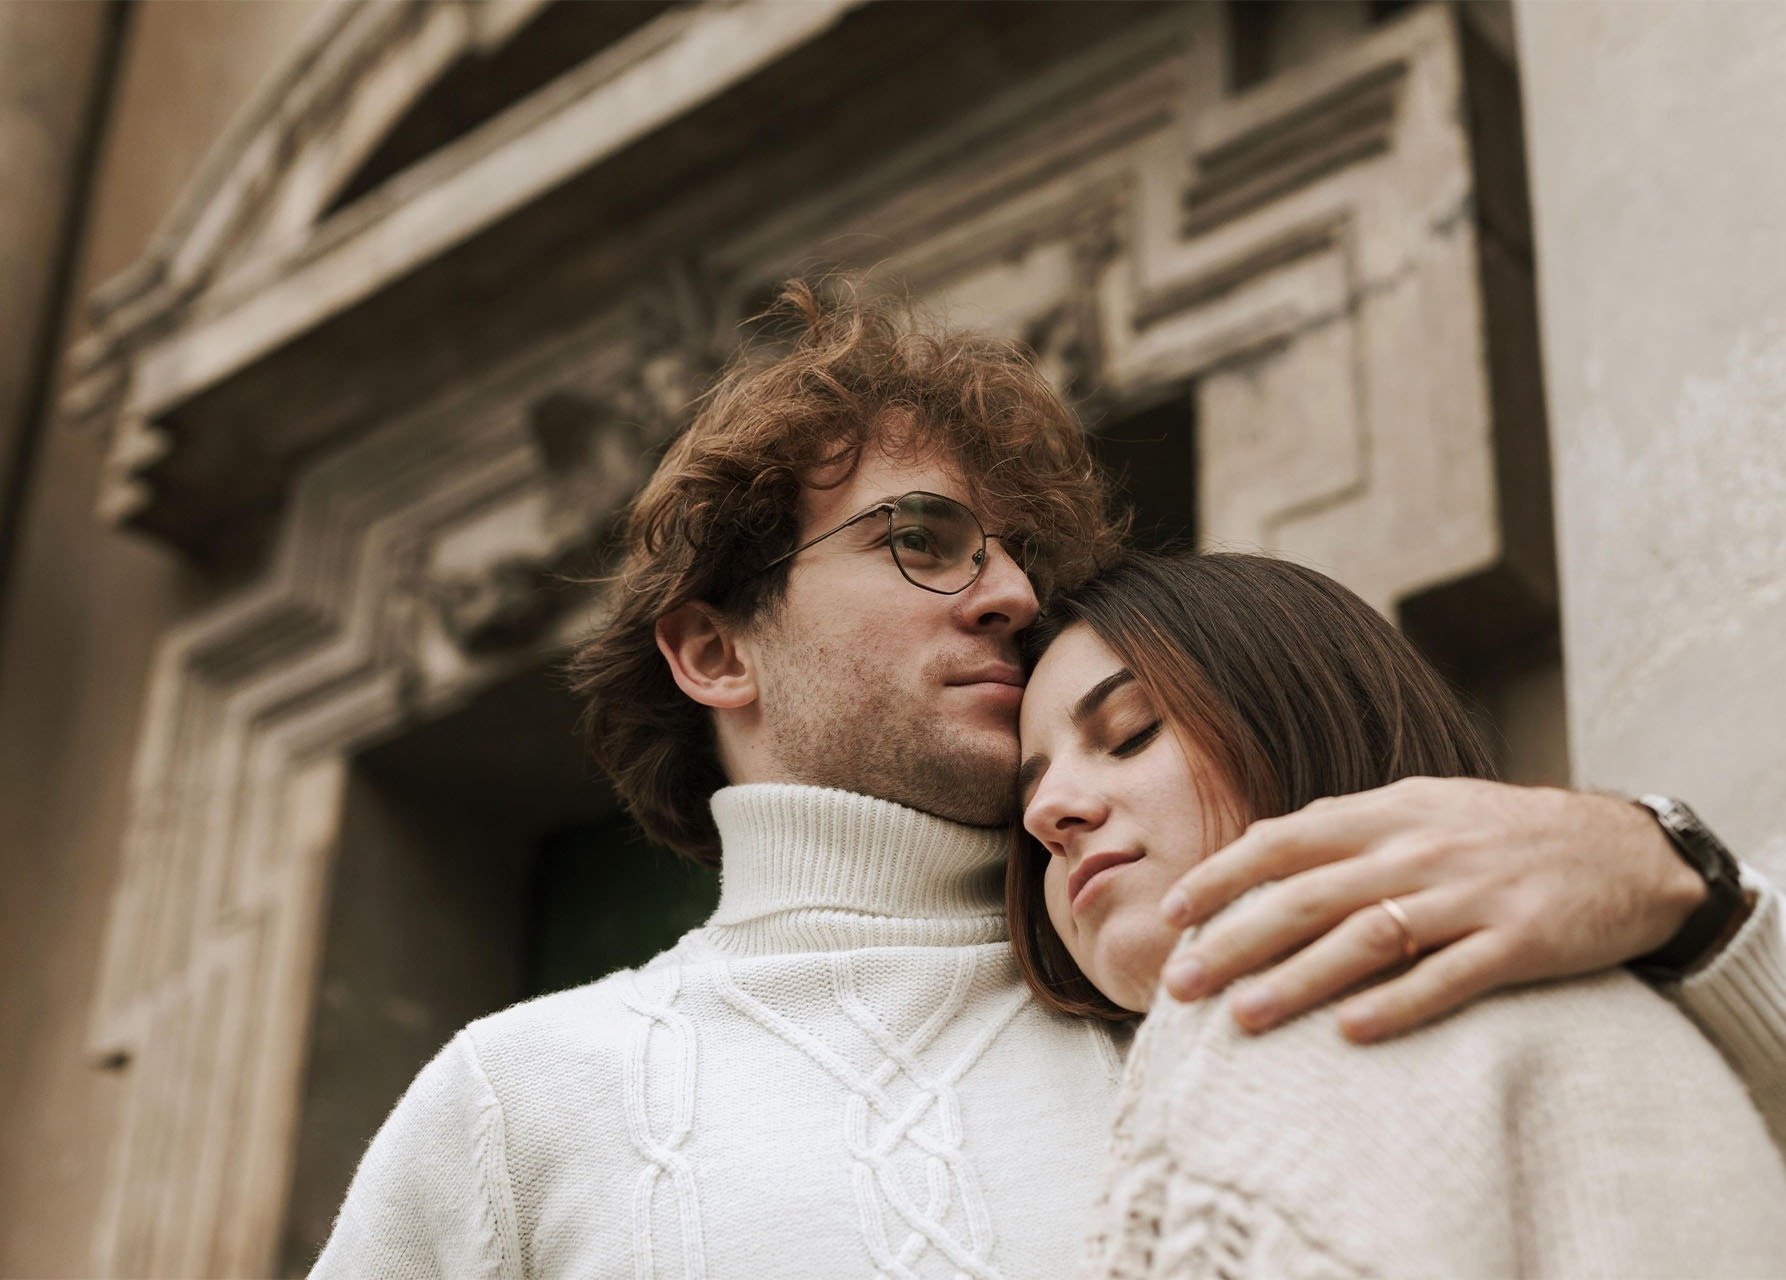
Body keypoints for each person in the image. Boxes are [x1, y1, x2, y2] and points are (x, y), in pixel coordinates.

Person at [311, 283, 1786, 1278]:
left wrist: (1686, 891)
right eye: (927, 538)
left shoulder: (1237, 969)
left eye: (1015, 552)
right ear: (711, 649)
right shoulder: (515, 1103)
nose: (1010, 588)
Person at [1013, 550, 1786, 1277]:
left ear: (1303, 718)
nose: (1049, 811)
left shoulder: (1381, 1034)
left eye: (1130, 733)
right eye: (1027, 802)